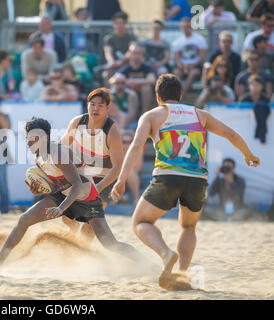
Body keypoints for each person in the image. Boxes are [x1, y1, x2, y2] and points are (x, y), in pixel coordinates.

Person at [111, 73, 260, 290]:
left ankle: (165, 253)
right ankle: (181, 273)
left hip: (167, 176)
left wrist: (122, 178)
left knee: (140, 223)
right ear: (180, 95)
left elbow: (135, 146)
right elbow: (231, 134)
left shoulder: (152, 115)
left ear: (158, 96)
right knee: (188, 226)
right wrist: (248, 154)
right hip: (197, 178)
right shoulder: (200, 115)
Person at [0, 117, 145, 270]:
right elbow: (55, 184)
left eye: (33, 138)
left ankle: (149, 265)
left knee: (110, 243)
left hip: (86, 198)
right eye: (27, 137)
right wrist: (37, 188)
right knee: (24, 220)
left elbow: (77, 185)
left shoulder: (58, 153)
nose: (28, 142)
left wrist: (61, 208)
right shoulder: (39, 157)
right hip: (63, 195)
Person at [59, 88, 125, 244]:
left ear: (108, 108)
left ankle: (82, 251)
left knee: (91, 222)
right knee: (65, 215)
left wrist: (100, 187)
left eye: (100, 105)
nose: (95, 108)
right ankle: (73, 233)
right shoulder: (77, 122)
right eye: (92, 104)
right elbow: (61, 147)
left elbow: (118, 166)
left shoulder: (112, 130)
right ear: (87, 105)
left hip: (104, 177)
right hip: (80, 174)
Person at [117, 42, 156, 114]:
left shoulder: (146, 67)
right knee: (119, 86)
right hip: (129, 93)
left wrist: (135, 81)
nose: (136, 56)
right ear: (130, 54)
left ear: (142, 55)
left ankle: (145, 114)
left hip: (143, 92)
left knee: (146, 88)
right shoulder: (126, 68)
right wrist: (126, 82)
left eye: (138, 53)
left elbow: (152, 80)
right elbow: (114, 79)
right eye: (134, 53)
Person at [172, 17, 208, 95]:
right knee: (176, 73)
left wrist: (191, 65)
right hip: (182, 66)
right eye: (184, 26)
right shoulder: (177, 41)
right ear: (181, 27)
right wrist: (181, 66)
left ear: (192, 27)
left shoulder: (200, 39)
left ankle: (182, 94)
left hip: (196, 66)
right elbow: (176, 58)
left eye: (188, 26)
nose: (186, 28)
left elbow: (202, 57)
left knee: (193, 73)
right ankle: (174, 94)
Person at [103, 11, 137, 77]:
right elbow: (108, 52)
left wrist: (121, 62)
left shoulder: (131, 37)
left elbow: (131, 50)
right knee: (106, 74)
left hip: (127, 64)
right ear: (114, 25)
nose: (120, 25)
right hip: (114, 64)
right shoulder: (109, 38)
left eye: (122, 23)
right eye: (117, 23)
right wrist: (112, 62)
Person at [240, 74, 271, 144]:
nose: (255, 87)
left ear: (261, 86)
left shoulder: (266, 100)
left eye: (257, 84)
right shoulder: (243, 99)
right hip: (245, 133)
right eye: (253, 84)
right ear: (249, 86)